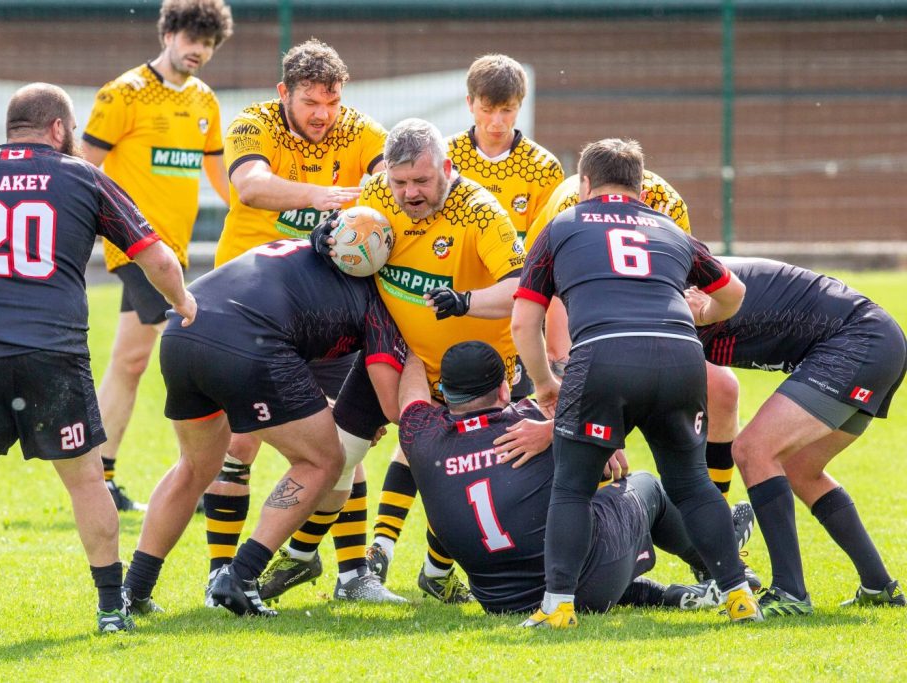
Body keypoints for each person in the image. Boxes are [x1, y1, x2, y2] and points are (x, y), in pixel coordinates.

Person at [0, 83, 196, 642]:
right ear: (59, 129)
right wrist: (182, 303)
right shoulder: (82, 175)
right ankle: (110, 608)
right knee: (86, 482)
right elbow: (156, 256)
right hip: (52, 354)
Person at [511, 137, 759, 628]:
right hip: (680, 357)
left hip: (603, 357)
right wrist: (706, 312)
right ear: (641, 186)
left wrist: (542, 383)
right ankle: (738, 595)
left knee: (573, 488)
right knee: (691, 483)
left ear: (584, 183)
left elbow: (524, 320)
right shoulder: (668, 227)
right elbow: (734, 291)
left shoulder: (562, 224)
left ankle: (557, 606)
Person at [120, 238, 406, 618]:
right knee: (323, 460)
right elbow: (388, 404)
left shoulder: (312, 250)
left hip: (183, 330)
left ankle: (134, 589)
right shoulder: (383, 298)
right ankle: (241, 574)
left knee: (194, 468)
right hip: (248, 345)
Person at [364, 56, 565, 577]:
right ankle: (377, 554)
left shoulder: (540, 170)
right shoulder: (432, 154)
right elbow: (373, 221)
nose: (496, 120)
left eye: (508, 110)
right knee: (409, 443)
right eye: (486, 108)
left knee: (475, 452)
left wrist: (547, 335)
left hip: (492, 337)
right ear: (470, 104)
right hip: (421, 334)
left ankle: (437, 567)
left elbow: (541, 260)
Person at [204, 38, 389, 600]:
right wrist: (327, 197)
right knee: (238, 445)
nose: (323, 115)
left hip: (329, 312)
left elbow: (389, 183)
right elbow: (250, 187)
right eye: (311, 102)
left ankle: (354, 575)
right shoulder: (254, 124)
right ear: (284, 92)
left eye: (331, 102)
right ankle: (220, 574)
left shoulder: (359, 129)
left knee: (346, 440)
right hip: (253, 312)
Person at [398, 342, 756, 615]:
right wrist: (557, 429)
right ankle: (723, 562)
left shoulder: (420, 436)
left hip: (500, 601)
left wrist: (415, 346)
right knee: (647, 487)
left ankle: (668, 596)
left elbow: (410, 397)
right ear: (505, 390)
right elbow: (611, 432)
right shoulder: (527, 419)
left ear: (443, 394)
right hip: (574, 583)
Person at [685, 256, 906, 616]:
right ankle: (879, 585)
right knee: (800, 468)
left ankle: (790, 592)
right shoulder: (673, 284)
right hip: (876, 340)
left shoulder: (678, 293)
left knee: (754, 449)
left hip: (859, 340)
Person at [81, 0, 233, 511]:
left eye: (209, 43)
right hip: (136, 246)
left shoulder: (205, 102)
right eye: (193, 38)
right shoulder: (122, 93)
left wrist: (262, 209)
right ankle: (208, 481)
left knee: (130, 361)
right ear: (167, 32)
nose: (200, 51)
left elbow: (222, 179)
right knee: (196, 354)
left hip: (177, 252)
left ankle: (98, 476)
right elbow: (85, 168)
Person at [528, 170, 744, 504]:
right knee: (576, 428)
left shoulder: (667, 202)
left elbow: (680, 292)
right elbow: (557, 341)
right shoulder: (570, 210)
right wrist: (592, 419)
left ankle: (717, 513)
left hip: (640, 321)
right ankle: (594, 523)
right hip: (575, 308)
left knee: (724, 388)